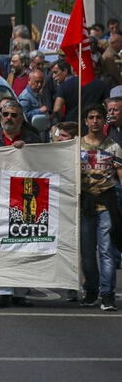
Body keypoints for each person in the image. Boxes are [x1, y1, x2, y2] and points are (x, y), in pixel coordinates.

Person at [0, 100, 43, 308]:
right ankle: (1, 290)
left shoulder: (32, 139)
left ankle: (20, 291)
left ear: (21, 118)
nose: (9, 118)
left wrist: (27, 151)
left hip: (24, 199)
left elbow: (43, 166)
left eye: (14, 115)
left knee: (23, 245)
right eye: (5, 114)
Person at [77, 103, 122, 311]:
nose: (95, 121)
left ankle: (107, 294)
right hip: (85, 204)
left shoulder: (113, 147)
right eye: (91, 117)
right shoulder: (76, 147)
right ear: (86, 121)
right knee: (87, 252)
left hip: (106, 203)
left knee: (107, 250)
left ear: (104, 121)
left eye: (98, 117)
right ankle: (92, 289)